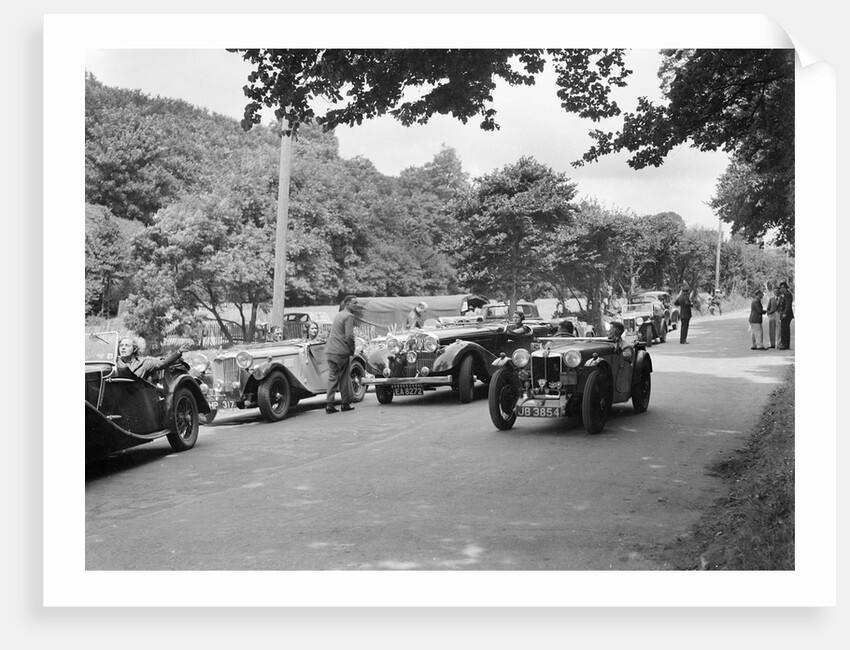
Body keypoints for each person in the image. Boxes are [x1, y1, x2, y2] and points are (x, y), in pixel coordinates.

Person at [324, 295, 359, 414]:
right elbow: (349, 336)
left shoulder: (338, 315)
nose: (356, 305)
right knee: (344, 377)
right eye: (354, 303)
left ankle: (329, 404)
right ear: (347, 304)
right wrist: (352, 349)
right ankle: (345, 403)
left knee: (332, 377)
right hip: (341, 351)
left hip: (330, 350)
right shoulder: (349, 316)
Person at [117, 337, 190, 381]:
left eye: (127, 345)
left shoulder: (144, 363)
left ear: (134, 349)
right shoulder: (115, 364)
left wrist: (178, 352)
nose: (123, 347)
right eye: (121, 345)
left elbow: (162, 364)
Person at [778, 281, 794, 350]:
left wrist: (784, 313)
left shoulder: (788, 295)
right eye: (780, 288)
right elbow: (780, 305)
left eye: (782, 288)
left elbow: (788, 306)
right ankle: (783, 343)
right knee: (783, 329)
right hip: (783, 314)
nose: (781, 289)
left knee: (785, 330)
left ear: (785, 288)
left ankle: (785, 344)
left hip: (787, 315)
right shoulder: (783, 295)